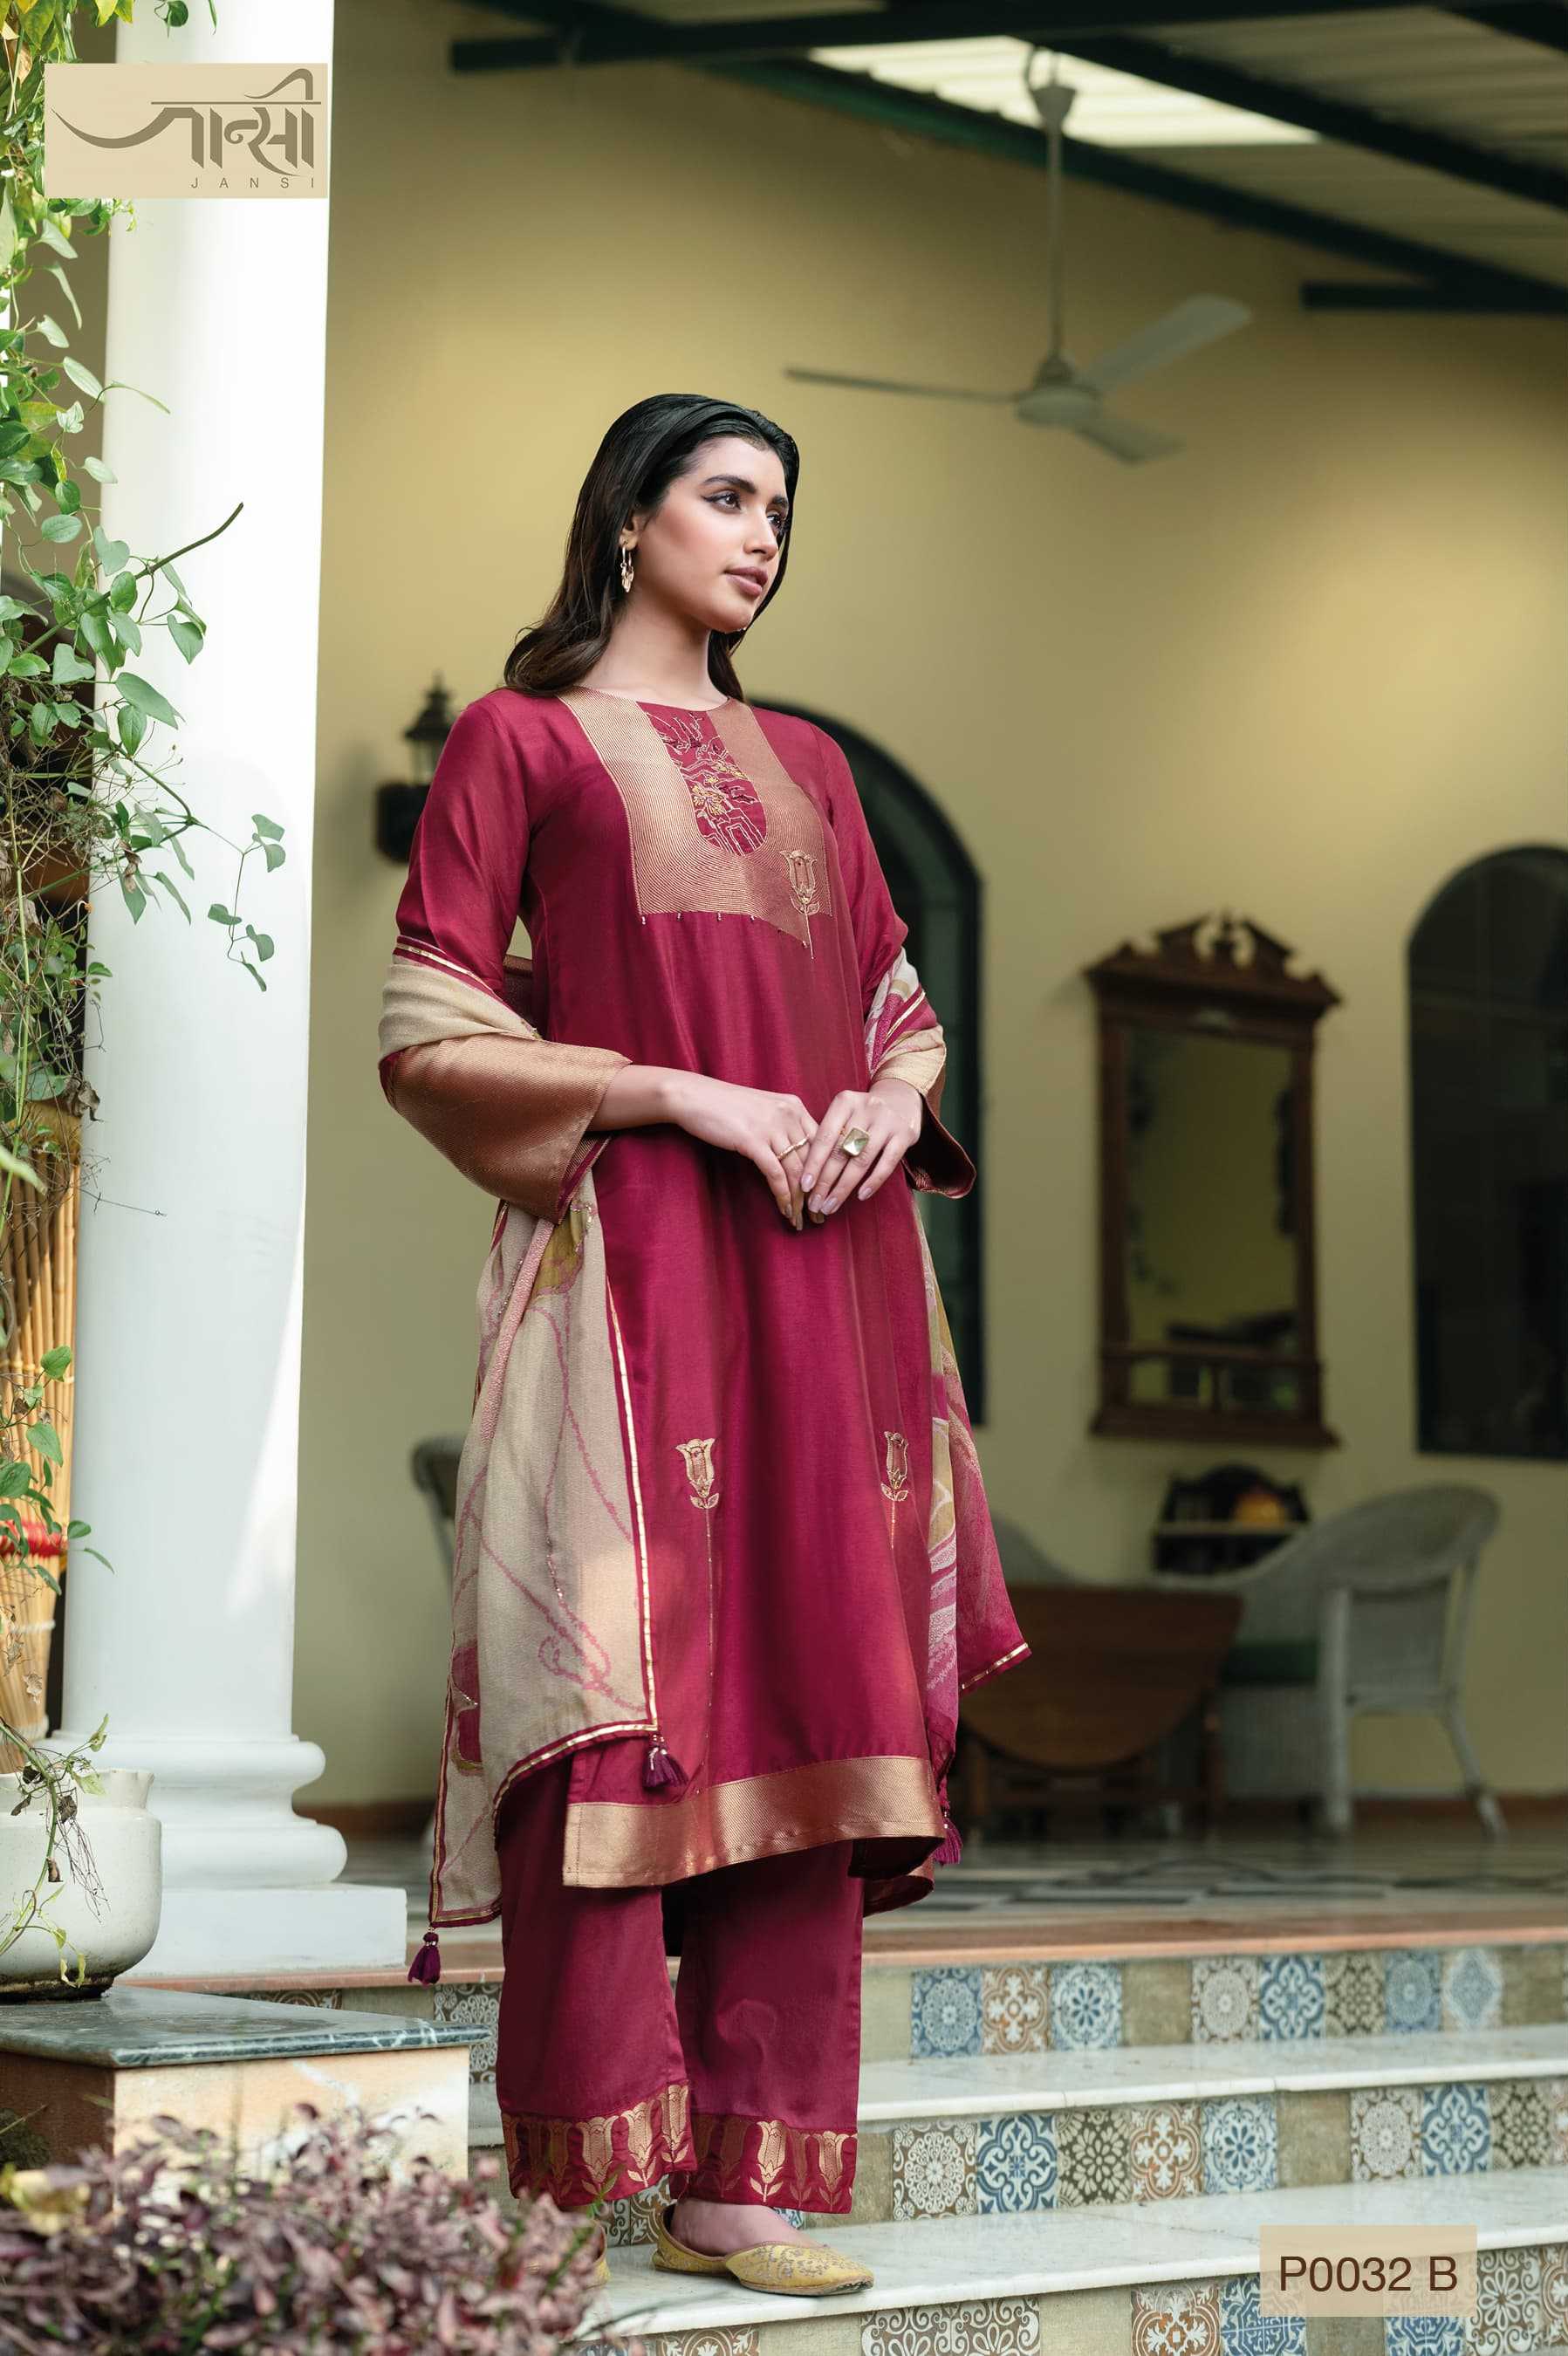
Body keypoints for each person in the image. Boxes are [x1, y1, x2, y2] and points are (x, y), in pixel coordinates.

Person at [378, 394, 1028, 2296]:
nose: (761, 536)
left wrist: (890, 1106)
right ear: (628, 518)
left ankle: (747, 2184)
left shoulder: (811, 763)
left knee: (818, 1692)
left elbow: (897, 1005)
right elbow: (430, 1024)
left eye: (780, 512)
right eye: (727, 497)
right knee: (617, 1689)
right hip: (637, 1268)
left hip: (832, 1268)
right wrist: (685, 1093)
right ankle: (574, 2178)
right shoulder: (517, 743)